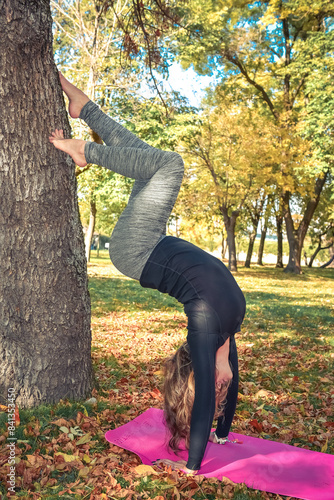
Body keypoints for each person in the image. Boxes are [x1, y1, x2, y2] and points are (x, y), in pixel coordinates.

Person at [49, 73, 246, 474]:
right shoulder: (230, 326)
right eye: (226, 386)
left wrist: (193, 465)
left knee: (169, 164)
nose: (224, 386)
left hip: (135, 250)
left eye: (220, 386)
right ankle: (85, 109)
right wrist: (222, 434)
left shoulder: (207, 326)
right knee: (150, 162)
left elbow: (205, 396)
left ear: (204, 366)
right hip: (150, 240)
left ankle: (84, 151)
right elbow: (224, 393)